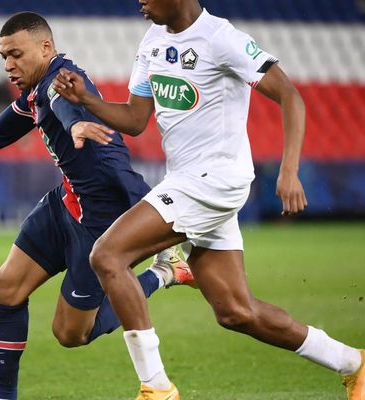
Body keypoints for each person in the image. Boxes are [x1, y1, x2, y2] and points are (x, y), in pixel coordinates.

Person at [0, 12, 196, 400]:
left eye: (16, 54)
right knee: (5, 288)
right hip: (65, 204)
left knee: (70, 334)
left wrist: (76, 124)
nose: (8, 65)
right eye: (3, 56)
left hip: (101, 222)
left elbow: (66, 104)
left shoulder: (62, 80)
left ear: (45, 48)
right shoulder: (34, 92)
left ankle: (165, 273)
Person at [52, 1, 364, 399]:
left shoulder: (222, 39)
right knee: (236, 311)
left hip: (214, 180)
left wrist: (289, 170)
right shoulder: (152, 41)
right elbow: (134, 119)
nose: (140, 1)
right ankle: (354, 363)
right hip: (188, 180)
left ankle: (156, 388)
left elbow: (290, 95)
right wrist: (87, 100)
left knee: (107, 255)